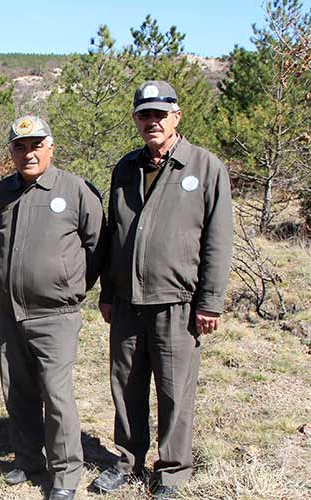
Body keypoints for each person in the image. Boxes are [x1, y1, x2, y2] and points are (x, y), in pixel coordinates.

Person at [90, 80, 232, 500]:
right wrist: (107, 292)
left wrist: (210, 302)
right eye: (144, 114)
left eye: (160, 114)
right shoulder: (126, 168)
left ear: (177, 116)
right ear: (136, 119)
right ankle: (127, 460)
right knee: (126, 387)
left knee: (174, 391)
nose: (152, 121)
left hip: (179, 303)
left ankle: (171, 471)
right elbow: (113, 234)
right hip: (127, 302)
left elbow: (218, 241)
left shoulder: (205, 168)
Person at [0, 115, 105, 500]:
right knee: (17, 390)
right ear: (12, 152)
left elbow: (98, 245)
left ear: (51, 147)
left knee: (57, 394)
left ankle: (66, 475)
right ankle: (28, 459)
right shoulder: (2, 193)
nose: (28, 152)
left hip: (55, 314)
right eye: (20, 146)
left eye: (36, 144)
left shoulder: (75, 190)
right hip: (10, 311)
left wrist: (69, 286)